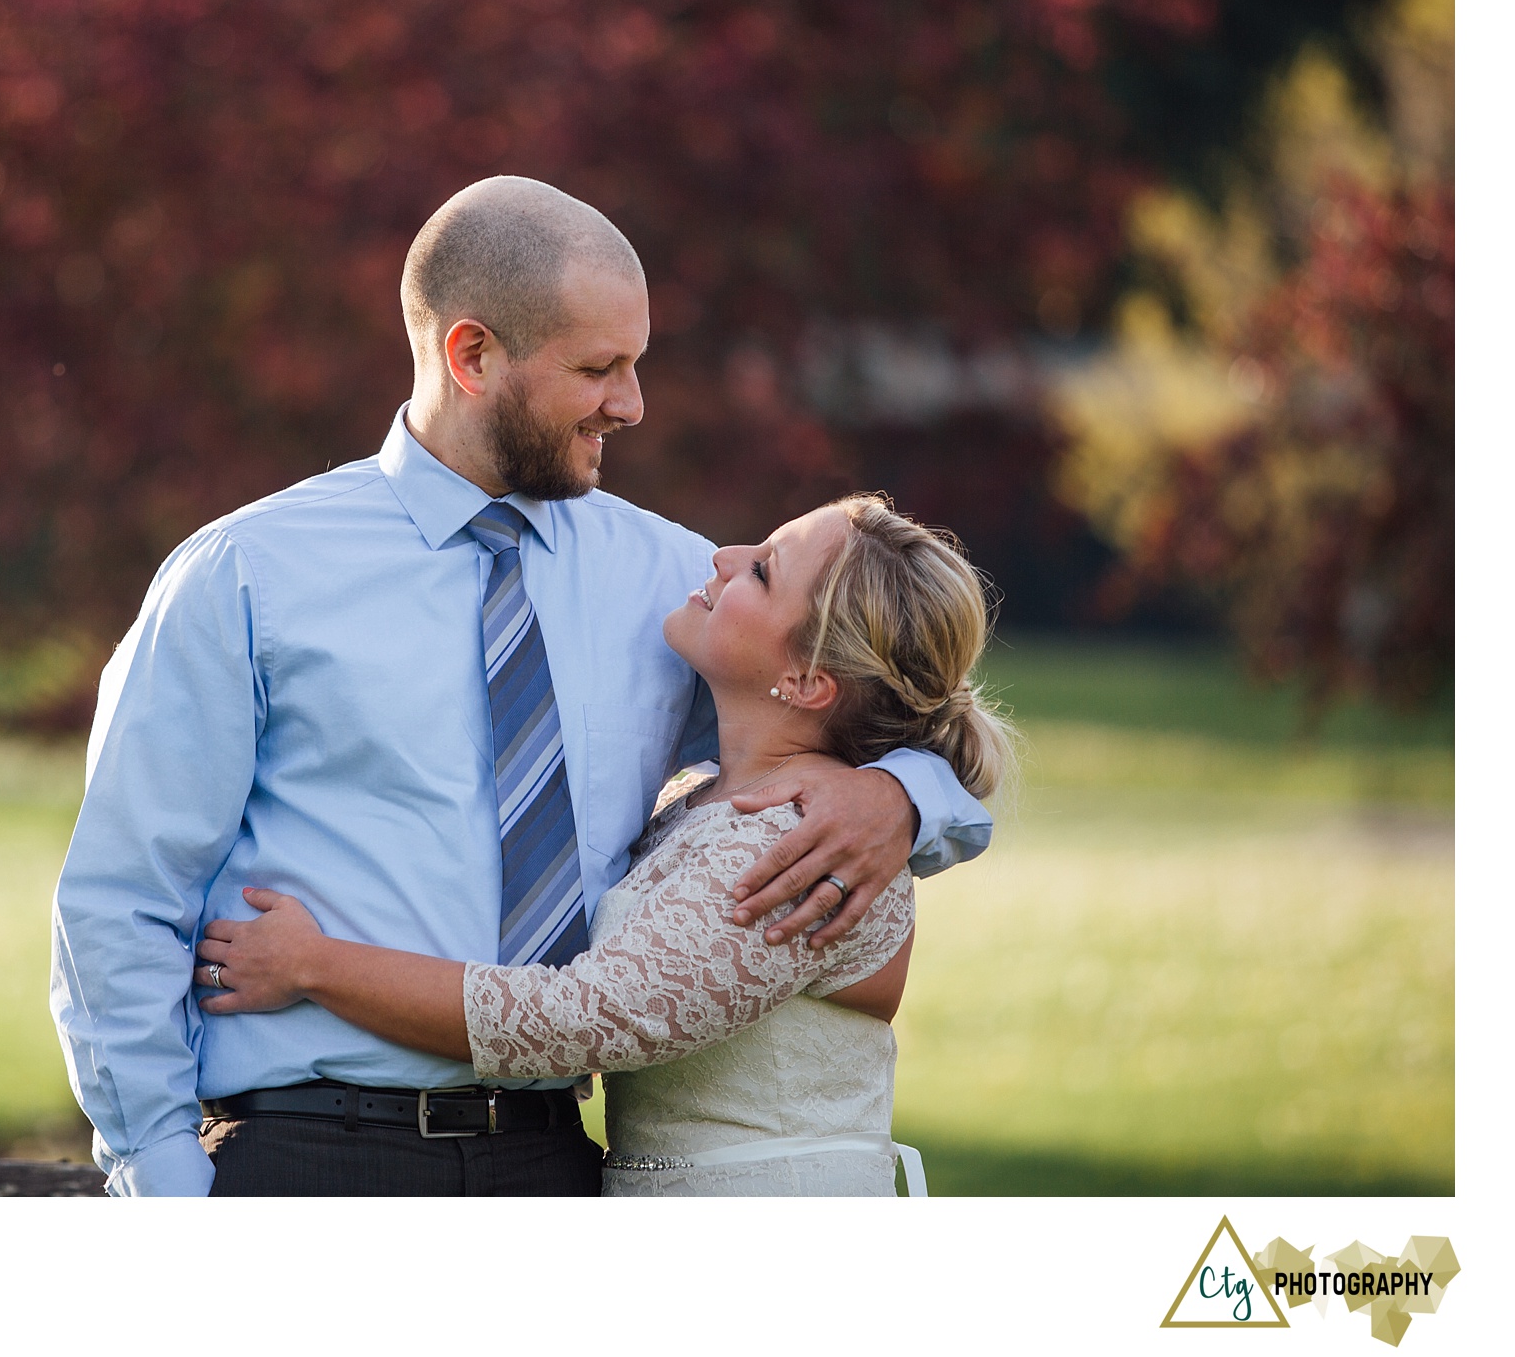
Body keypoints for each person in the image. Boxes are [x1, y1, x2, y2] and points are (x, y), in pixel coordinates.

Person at [50, 176, 993, 1196]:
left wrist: (899, 791)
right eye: (598, 368)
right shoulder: (247, 574)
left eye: (635, 364)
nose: (629, 404)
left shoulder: (668, 583)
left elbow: (865, 686)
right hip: (309, 1157)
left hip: (556, 1161)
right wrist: (156, 1173)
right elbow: (123, 891)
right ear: (472, 355)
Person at [194, 494, 1014, 1195]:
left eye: (762, 570)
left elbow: (574, 1019)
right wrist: (901, 788)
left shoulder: (797, 846)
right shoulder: (705, 804)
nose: (723, 557)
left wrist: (312, 964)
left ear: (804, 682)